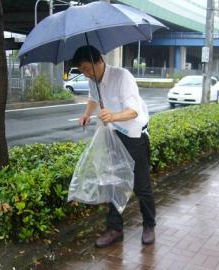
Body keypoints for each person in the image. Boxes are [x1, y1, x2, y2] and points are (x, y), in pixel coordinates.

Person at [73, 45, 156, 248]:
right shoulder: (94, 80)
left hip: (133, 135)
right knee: (113, 181)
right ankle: (115, 229)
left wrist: (112, 115)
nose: (86, 74)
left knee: (141, 186)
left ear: (99, 61)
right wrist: (86, 114)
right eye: (82, 70)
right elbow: (93, 99)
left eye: (87, 69)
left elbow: (133, 111)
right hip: (113, 135)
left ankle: (149, 225)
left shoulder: (122, 77)